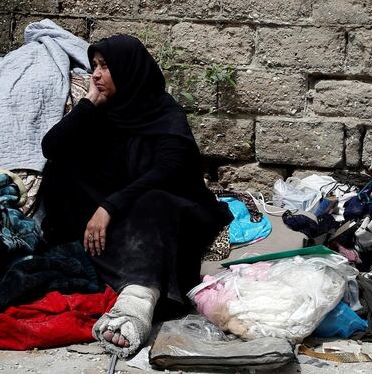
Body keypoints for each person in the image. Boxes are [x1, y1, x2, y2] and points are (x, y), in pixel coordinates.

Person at [38, 34, 232, 356]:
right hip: (117, 206)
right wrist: (87, 105)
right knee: (61, 169)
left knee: (154, 201)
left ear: (129, 71)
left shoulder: (165, 116)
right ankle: (104, 257)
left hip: (165, 208)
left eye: (105, 67)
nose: (96, 74)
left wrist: (109, 207)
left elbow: (166, 173)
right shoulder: (103, 113)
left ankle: (138, 298)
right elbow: (51, 148)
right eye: (94, 66)